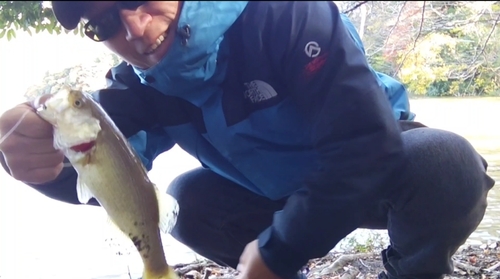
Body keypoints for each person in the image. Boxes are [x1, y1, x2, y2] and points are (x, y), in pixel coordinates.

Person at [0, 2, 495, 279]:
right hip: (273, 198)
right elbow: (102, 179)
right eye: (103, 23)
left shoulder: (282, 14)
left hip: (375, 175)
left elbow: (364, 146)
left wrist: (276, 252)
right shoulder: (138, 89)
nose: (132, 26)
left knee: (446, 163)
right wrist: (29, 157)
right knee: (186, 200)